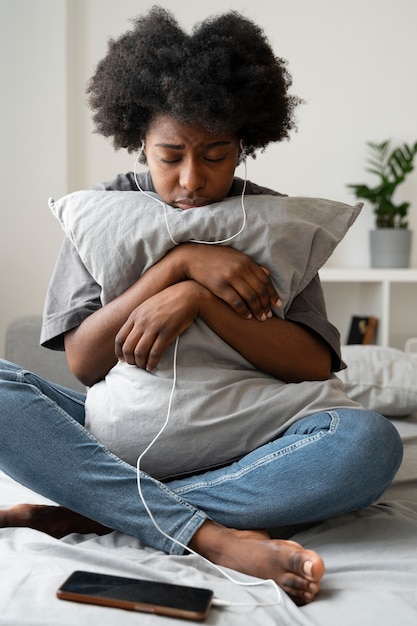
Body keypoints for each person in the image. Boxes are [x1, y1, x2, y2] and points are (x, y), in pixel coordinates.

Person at [0, 7, 402, 606]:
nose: (192, 178)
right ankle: (210, 535)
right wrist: (179, 266)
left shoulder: (277, 223)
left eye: (215, 155)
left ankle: (103, 510)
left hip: (255, 441)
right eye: (170, 155)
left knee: (371, 442)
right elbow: (85, 364)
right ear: (140, 139)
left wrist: (203, 303)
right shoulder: (99, 216)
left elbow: (313, 367)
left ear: (244, 145)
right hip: (124, 427)